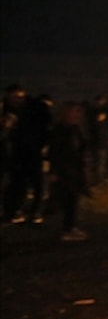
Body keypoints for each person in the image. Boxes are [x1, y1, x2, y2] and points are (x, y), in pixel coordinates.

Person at [3, 87, 52, 224]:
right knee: (18, 183)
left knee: (37, 183)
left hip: (32, 151)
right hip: (18, 152)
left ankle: (35, 212)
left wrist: (43, 145)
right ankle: (15, 211)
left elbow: (45, 128)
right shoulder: (10, 109)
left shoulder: (35, 109)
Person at [46, 101, 90, 241]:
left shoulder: (75, 129)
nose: (78, 115)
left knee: (73, 199)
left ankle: (70, 227)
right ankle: (68, 229)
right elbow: (55, 152)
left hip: (73, 169)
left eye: (79, 112)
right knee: (69, 199)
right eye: (75, 111)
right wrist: (53, 171)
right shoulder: (61, 130)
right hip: (65, 170)